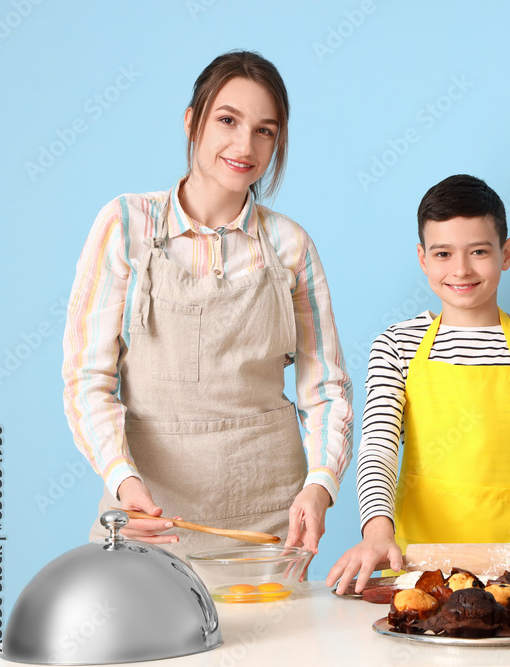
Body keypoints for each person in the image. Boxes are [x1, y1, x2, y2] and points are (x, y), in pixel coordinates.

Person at [62, 51, 353, 559]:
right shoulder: (125, 225)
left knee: (268, 641)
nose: (245, 145)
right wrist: (125, 484)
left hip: (267, 525)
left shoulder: (290, 245)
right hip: (148, 515)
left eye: (265, 130)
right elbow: (87, 377)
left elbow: (326, 387)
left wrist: (321, 484)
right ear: (192, 123)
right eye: (227, 120)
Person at [327, 174, 510, 594]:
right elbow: (378, 447)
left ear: (506, 253)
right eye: (443, 253)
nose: (461, 269)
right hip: (417, 571)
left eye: (479, 251)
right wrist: (375, 531)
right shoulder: (396, 344)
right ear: (423, 259)